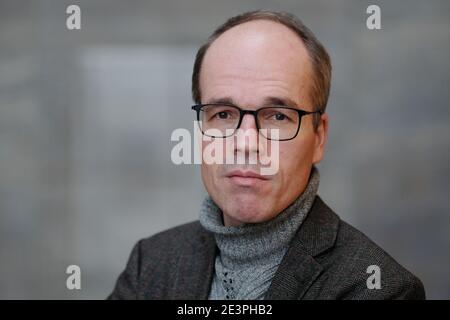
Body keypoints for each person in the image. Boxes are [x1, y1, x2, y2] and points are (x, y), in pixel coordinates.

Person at [108, 10, 425, 300]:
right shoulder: (149, 265)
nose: (246, 142)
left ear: (319, 137)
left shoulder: (381, 291)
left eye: (277, 116)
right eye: (223, 114)